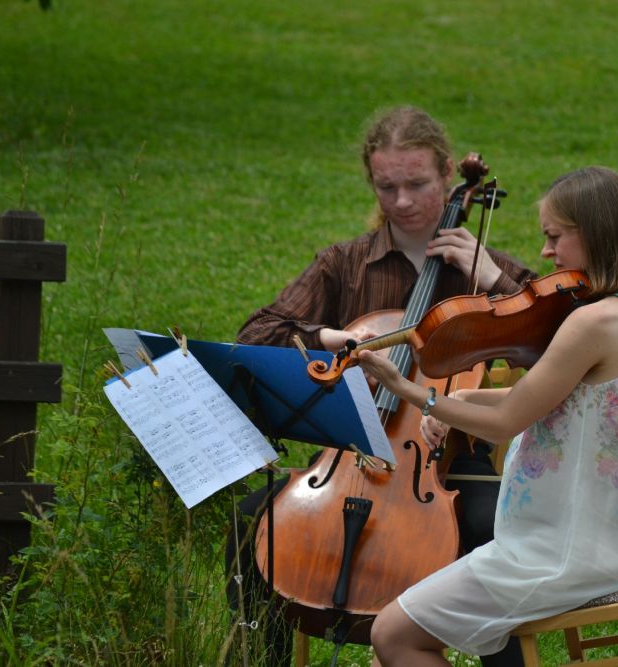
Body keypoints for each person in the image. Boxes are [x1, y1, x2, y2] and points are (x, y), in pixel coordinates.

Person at [227, 105, 536, 666]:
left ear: (447, 175)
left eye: (416, 184)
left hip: (451, 465)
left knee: (492, 534)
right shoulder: (345, 266)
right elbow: (257, 333)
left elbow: (565, 330)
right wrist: (333, 338)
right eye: (386, 186)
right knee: (253, 520)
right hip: (346, 459)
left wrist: (492, 276)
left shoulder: (480, 270)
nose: (400, 202)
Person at [357, 166, 618, 666]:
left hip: (568, 553)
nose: (545, 253)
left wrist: (411, 391)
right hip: (611, 541)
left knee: (391, 635)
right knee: (390, 656)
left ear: (592, 233)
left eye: (554, 236)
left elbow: (508, 421)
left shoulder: (591, 323)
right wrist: (454, 409)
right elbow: (537, 402)